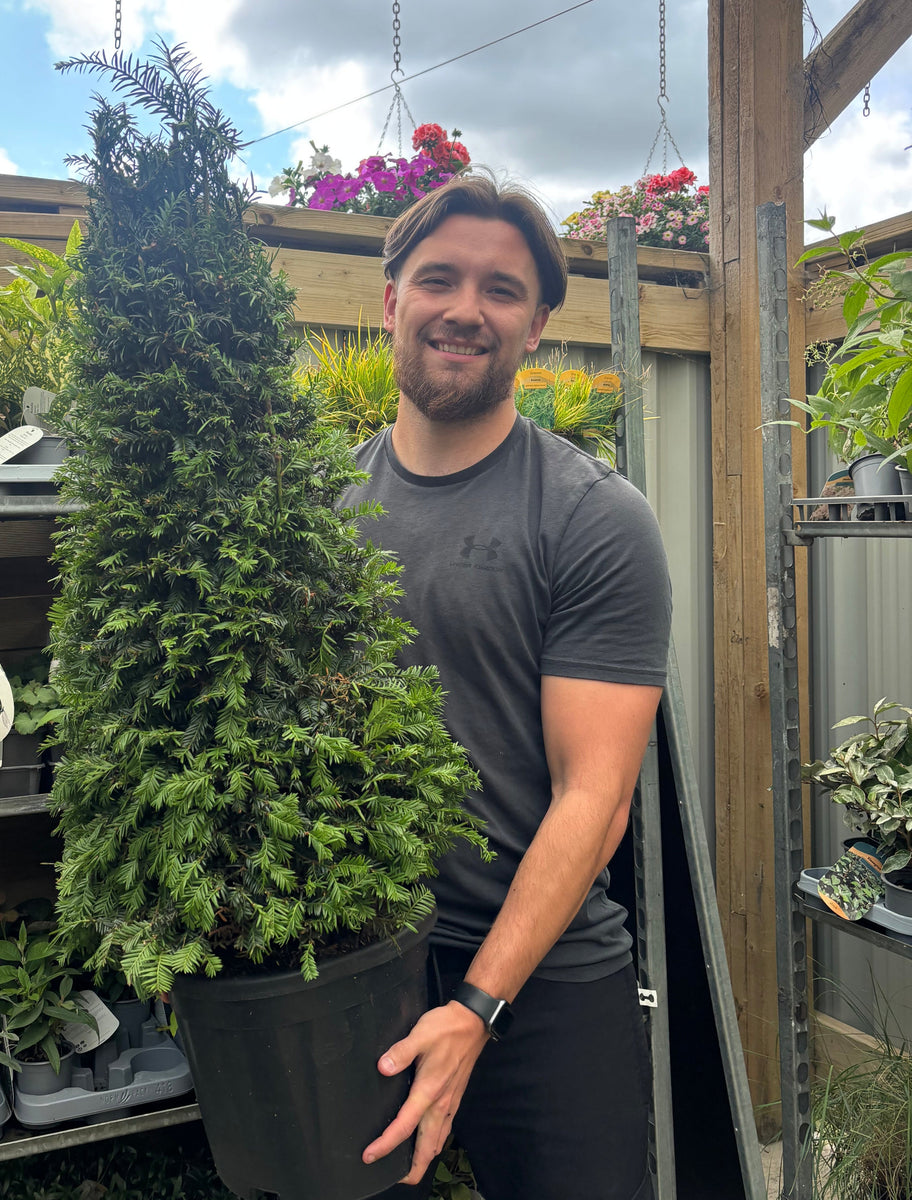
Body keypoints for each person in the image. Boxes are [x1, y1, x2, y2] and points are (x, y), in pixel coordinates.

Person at [338, 174, 672, 1200]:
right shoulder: (320, 511)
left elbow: (595, 798)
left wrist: (477, 1004)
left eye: (501, 290)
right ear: (392, 302)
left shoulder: (593, 519)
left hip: (547, 986)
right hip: (360, 966)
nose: (464, 310)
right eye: (438, 279)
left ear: (535, 329)